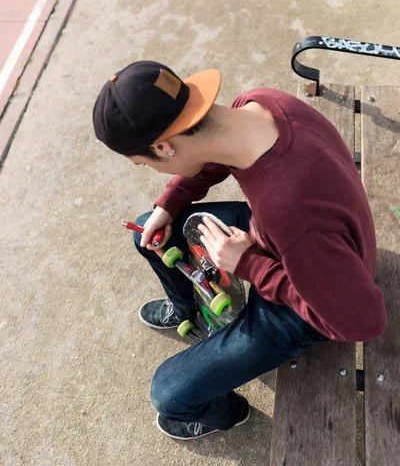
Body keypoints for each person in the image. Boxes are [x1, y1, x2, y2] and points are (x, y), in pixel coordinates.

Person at [93, 61, 387, 441]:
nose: (150, 170)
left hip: (315, 292)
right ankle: (186, 309)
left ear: (163, 147)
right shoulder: (260, 103)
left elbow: (362, 322)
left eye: (142, 163)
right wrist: (172, 201)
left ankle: (227, 413)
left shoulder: (291, 211)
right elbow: (214, 153)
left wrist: (250, 265)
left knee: (168, 393)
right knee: (149, 232)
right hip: (286, 233)